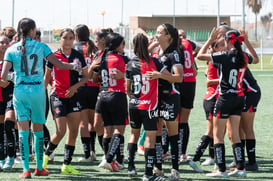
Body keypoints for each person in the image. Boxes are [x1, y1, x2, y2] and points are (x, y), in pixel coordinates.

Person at [1, 18, 80, 179]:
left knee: (22, 131)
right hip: (37, 91)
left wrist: (16, 77)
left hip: (20, 91)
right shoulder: (41, 46)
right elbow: (59, 65)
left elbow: (3, 76)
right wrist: (73, 66)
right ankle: (39, 168)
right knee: (37, 130)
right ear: (32, 31)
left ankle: (25, 170)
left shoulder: (11, 49)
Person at [197, 28, 249, 178]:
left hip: (225, 98)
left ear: (227, 41)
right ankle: (241, 168)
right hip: (239, 97)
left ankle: (221, 170)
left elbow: (200, 56)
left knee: (218, 135)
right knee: (235, 135)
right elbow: (253, 58)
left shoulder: (224, 55)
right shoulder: (244, 57)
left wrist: (210, 39)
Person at [43, 28, 88, 174]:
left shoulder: (78, 56)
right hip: (57, 96)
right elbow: (47, 77)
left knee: (73, 131)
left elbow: (87, 77)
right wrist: (43, 92)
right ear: (59, 39)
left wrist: (75, 87)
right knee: (61, 131)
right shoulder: (53, 56)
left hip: (73, 96)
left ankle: (66, 165)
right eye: (65, 38)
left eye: (71, 38)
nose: (68, 41)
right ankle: (45, 156)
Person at [126, 33, 167, 181]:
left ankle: (131, 168)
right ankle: (148, 174)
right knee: (150, 138)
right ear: (147, 43)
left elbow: (127, 88)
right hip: (149, 106)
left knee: (133, 135)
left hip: (133, 104)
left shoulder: (130, 63)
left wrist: (134, 99)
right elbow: (169, 76)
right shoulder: (154, 61)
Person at [149, 23, 183, 180]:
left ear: (168, 36)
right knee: (156, 132)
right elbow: (142, 55)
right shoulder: (156, 52)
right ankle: (158, 167)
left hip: (170, 97)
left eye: (159, 32)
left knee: (172, 134)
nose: (156, 34)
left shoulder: (174, 53)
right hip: (157, 98)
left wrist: (160, 75)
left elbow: (179, 77)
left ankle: (175, 169)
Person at [90, 32, 128, 172]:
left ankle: (109, 160)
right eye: (123, 44)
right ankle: (110, 158)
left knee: (107, 132)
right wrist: (123, 76)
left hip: (102, 96)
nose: (124, 46)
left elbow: (94, 79)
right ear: (117, 45)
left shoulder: (101, 57)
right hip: (117, 95)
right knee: (119, 130)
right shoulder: (122, 58)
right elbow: (134, 75)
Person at [188, 38, 224, 173]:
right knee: (211, 132)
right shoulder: (215, 60)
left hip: (217, 98)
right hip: (212, 98)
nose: (225, 46)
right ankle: (195, 160)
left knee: (218, 132)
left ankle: (215, 160)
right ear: (215, 48)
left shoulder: (220, 60)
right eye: (221, 45)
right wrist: (223, 80)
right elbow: (209, 82)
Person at [226, 28, 260, 171]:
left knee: (246, 128)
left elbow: (256, 59)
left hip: (250, 93)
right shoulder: (231, 54)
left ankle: (252, 162)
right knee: (238, 128)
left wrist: (246, 41)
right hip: (240, 94)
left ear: (228, 41)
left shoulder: (238, 55)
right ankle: (238, 159)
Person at [73, 24, 98, 162]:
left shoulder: (74, 48)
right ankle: (93, 151)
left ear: (76, 35)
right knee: (92, 122)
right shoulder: (94, 48)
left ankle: (87, 154)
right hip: (94, 87)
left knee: (83, 123)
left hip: (80, 87)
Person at [88, 28, 113, 151]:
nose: (95, 43)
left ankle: (114, 155)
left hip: (114, 93)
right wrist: (92, 68)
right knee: (97, 124)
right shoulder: (98, 54)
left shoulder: (112, 53)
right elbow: (91, 78)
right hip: (101, 92)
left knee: (111, 126)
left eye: (97, 41)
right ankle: (107, 152)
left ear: (103, 40)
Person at [177, 29, 199, 162]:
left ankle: (176, 151)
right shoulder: (189, 44)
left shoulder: (174, 44)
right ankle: (181, 152)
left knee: (174, 119)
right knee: (182, 120)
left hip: (179, 82)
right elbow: (200, 49)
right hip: (190, 82)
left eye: (183, 35)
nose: (182, 37)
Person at [0, 35, 17, 171]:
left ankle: (11, 157)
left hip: (12, 96)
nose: (4, 45)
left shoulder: (12, 59)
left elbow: (6, 83)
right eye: (1, 42)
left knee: (8, 123)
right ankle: (2, 157)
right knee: (1, 129)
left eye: (6, 42)